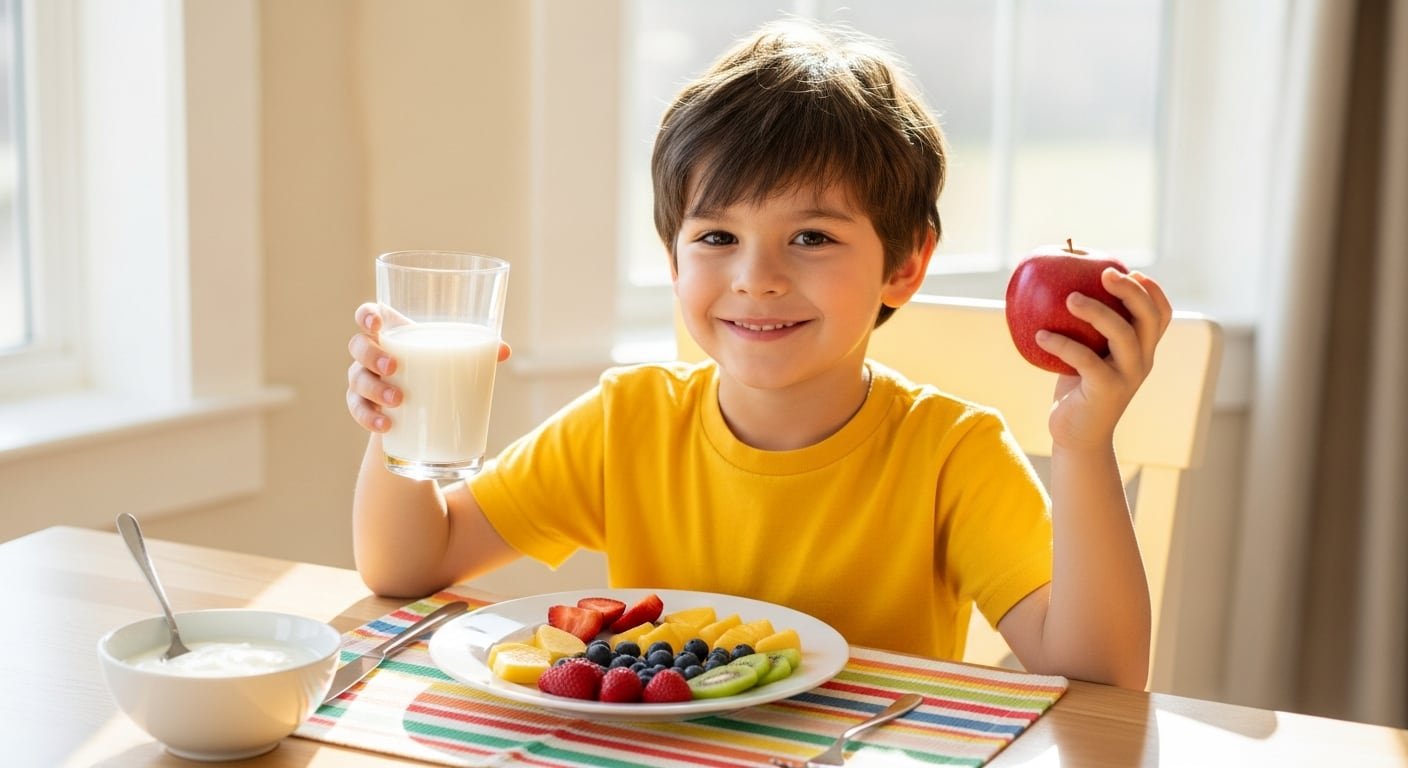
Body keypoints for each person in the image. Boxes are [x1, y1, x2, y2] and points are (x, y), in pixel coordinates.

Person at [344, 19, 1171, 689]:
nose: (756, 278)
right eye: (717, 237)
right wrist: (397, 422)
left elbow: (1100, 677)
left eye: (811, 237)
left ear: (906, 264)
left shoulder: (951, 455)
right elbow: (408, 562)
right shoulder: (627, 423)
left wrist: (1084, 445)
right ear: (674, 262)